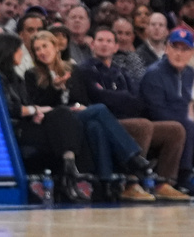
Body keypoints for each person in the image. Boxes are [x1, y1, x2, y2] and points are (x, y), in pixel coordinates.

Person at [25, 30, 153, 200]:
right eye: (37, 49)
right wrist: (55, 89)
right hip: (55, 121)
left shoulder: (72, 69)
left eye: (45, 46)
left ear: (56, 47)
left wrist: (73, 99)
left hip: (76, 114)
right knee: (99, 109)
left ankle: (105, 184)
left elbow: (82, 98)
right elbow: (38, 103)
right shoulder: (32, 74)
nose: (42, 51)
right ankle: (133, 158)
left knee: (95, 126)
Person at [75, 27, 189, 200]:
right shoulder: (85, 70)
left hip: (127, 119)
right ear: (92, 44)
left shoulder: (121, 71)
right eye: (100, 40)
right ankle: (131, 182)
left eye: (109, 41)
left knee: (175, 129)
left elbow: (138, 101)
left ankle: (164, 182)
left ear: (116, 47)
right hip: (107, 122)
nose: (104, 44)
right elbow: (98, 97)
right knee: (142, 125)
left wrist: (116, 98)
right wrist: (123, 98)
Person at [0, 32, 92, 203]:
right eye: (19, 50)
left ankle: (71, 172)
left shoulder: (16, 77)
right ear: (9, 51)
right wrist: (34, 110)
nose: (22, 54)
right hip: (13, 130)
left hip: (26, 124)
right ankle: (70, 177)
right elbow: (10, 108)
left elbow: (27, 105)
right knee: (63, 118)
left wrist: (34, 113)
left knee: (64, 117)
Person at [140, 28, 194, 191]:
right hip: (156, 124)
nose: (179, 53)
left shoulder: (190, 74)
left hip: (183, 120)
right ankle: (184, 176)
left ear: (191, 53)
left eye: (184, 49)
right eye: (175, 47)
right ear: (166, 48)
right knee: (188, 125)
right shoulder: (154, 73)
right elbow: (156, 111)